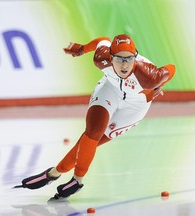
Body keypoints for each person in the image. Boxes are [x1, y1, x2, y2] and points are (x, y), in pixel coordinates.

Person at [16, 34, 176, 200]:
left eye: (128, 59)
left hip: (136, 104)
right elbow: (102, 40)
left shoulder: (149, 76)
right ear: (110, 57)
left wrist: (159, 84)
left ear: (135, 57)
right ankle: (75, 180)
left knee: (93, 143)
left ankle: (55, 173)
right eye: (119, 59)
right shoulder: (101, 58)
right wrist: (81, 50)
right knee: (92, 132)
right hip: (110, 89)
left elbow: (172, 68)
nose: (124, 64)